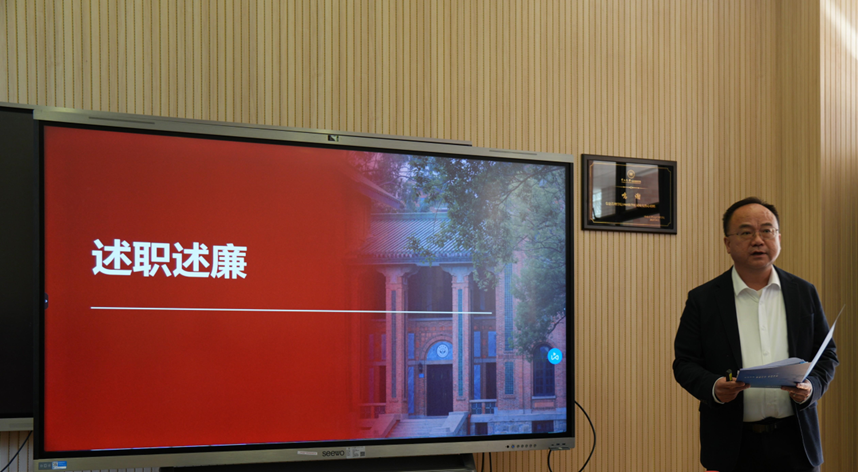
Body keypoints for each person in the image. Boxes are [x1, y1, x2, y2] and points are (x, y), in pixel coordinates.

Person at [673, 197, 838, 472]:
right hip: (732, 444)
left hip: (796, 441)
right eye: (746, 232)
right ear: (727, 243)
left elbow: (827, 355)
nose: (758, 240)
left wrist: (812, 388)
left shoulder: (803, 292)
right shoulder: (703, 300)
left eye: (767, 231)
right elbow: (684, 363)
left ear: (779, 238)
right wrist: (714, 387)